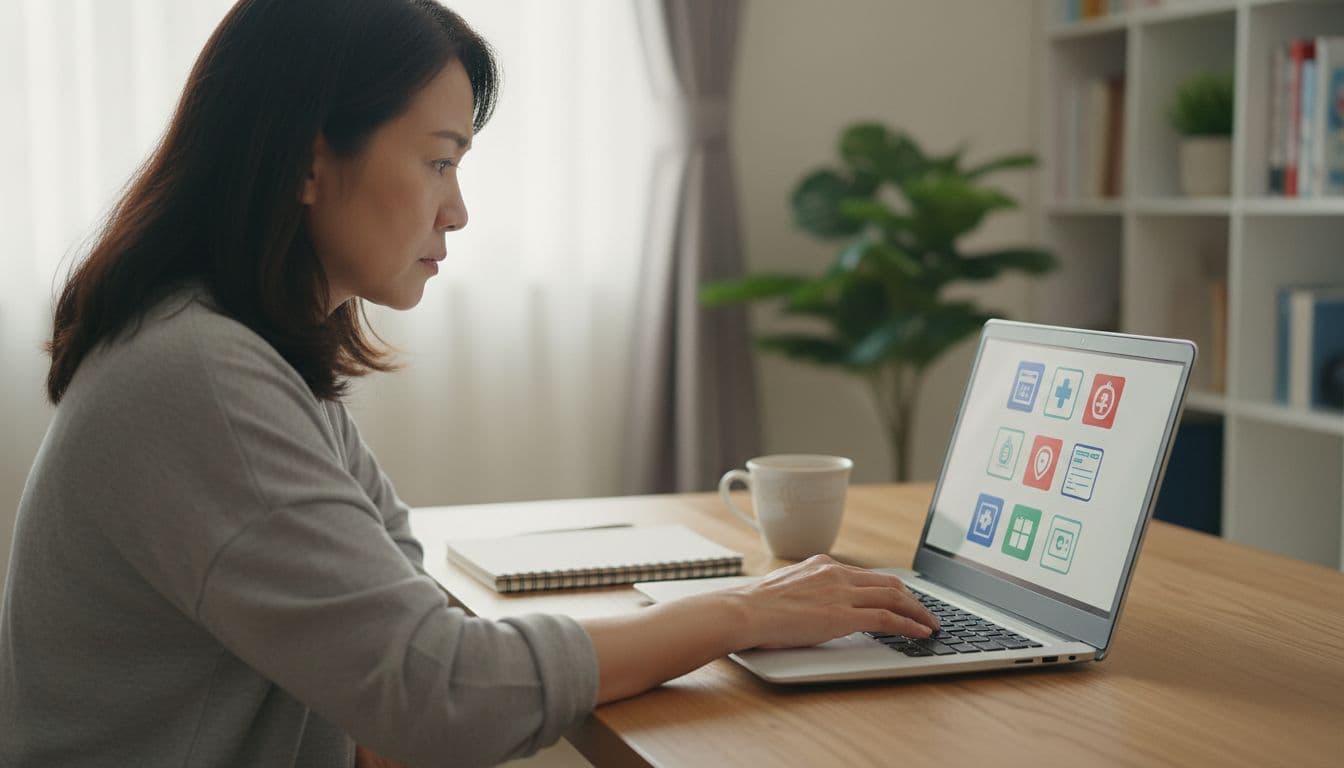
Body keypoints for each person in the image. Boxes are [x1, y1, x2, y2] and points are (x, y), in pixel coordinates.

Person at [0, 1, 938, 766]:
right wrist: (741, 614)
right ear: (306, 160)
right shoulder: (196, 375)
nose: (457, 209)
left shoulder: (241, 354)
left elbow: (412, 618)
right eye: (438, 160)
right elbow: (440, 691)